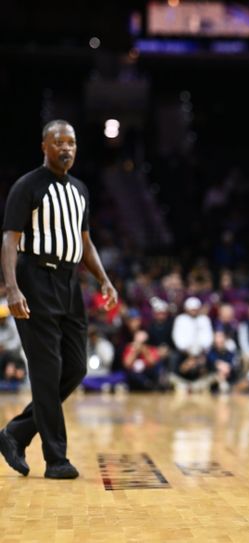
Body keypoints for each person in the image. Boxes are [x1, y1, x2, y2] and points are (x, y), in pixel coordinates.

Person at [0, 120, 118, 479]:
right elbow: (8, 239)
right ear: (45, 146)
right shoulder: (27, 186)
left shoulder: (79, 190)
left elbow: (84, 242)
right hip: (34, 278)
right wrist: (12, 288)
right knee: (46, 373)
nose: (66, 148)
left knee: (77, 368)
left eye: (72, 143)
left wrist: (104, 279)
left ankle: (16, 433)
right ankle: (56, 460)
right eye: (59, 142)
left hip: (69, 283)